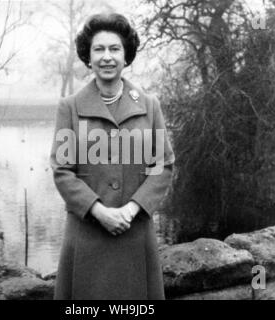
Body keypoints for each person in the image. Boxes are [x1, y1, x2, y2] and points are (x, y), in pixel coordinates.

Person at [50, 12, 175, 300]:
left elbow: (163, 166)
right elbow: (63, 171)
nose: (107, 57)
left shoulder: (149, 106)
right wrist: (100, 212)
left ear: (126, 55)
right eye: (99, 49)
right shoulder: (70, 107)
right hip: (86, 237)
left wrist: (130, 210)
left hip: (135, 235)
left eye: (114, 49)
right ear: (88, 56)